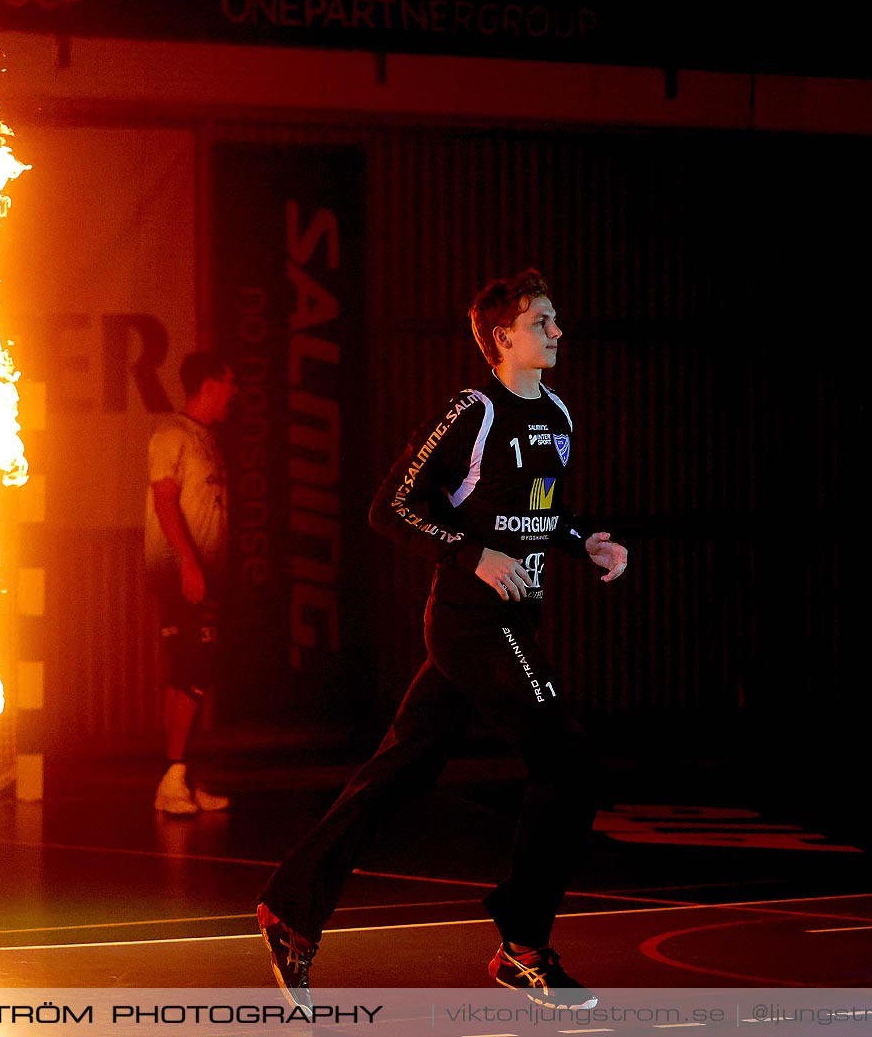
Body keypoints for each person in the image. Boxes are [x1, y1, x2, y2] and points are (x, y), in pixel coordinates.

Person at [256, 268, 628, 1008]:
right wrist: (471, 553)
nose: (557, 332)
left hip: (515, 621)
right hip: (470, 622)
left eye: (555, 320)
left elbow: (539, 512)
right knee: (569, 759)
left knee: (401, 770)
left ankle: (289, 909)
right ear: (502, 338)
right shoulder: (474, 410)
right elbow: (390, 505)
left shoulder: (556, 414)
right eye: (542, 321)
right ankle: (523, 946)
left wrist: (583, 539)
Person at [146, 351, 237, 814]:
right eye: (229, 382)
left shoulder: (207, 439)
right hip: (181, 575)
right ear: (209, 385)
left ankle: (183, 774)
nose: (234, 392)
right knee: (191, 671)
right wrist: (188, 563)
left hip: (208, 576)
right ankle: (172, 777)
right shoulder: (171, 435)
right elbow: (164, 503)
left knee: (196, 673)